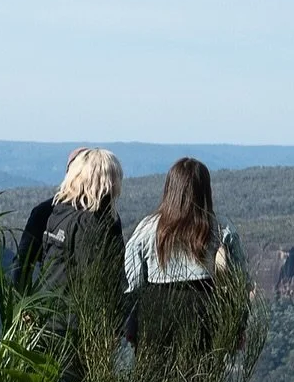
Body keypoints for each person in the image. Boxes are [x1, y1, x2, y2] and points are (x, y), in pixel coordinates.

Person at [124, 156, 244, 356]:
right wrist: (238, 325)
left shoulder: (147, 229)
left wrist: (132, 322)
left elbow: (133, 284)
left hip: (156, 316)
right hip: (205, 314)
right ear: (205, 190)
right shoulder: (222, 229)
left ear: (170, 189)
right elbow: (239, 284)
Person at [13, 147, 124, 291]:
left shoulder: (55, 213)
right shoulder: (102, 221)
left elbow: (22, 263)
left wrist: (23, 306)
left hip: (48, 305)